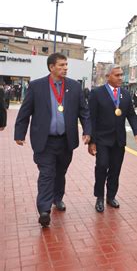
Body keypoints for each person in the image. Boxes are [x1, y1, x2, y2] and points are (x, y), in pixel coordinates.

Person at [14, 53, 91, 227]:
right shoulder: (37, 86)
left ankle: (58, 198)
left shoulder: (74, 87)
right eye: (61, 65)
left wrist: (87, 130)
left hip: (66, 141)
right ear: (51, 67)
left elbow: (84, 111)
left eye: (66, 65)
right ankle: (44, 210)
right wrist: (20, 133)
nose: (65, 68)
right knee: (47, 174)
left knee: (60, 172)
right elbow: (25, 112)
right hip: (45, 141)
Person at [88, 64, 137, 212]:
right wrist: (91, 141)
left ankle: (111, 196)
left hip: (119, 139)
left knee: (115, 169)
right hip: (102, 139)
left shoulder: (125, 94)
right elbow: (91, 118)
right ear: (108, 77)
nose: (120, 78)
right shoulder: (97, 93)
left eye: (121, 75)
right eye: (117, 75)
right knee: (101, 166)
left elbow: (131, 114)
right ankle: (99, 196)